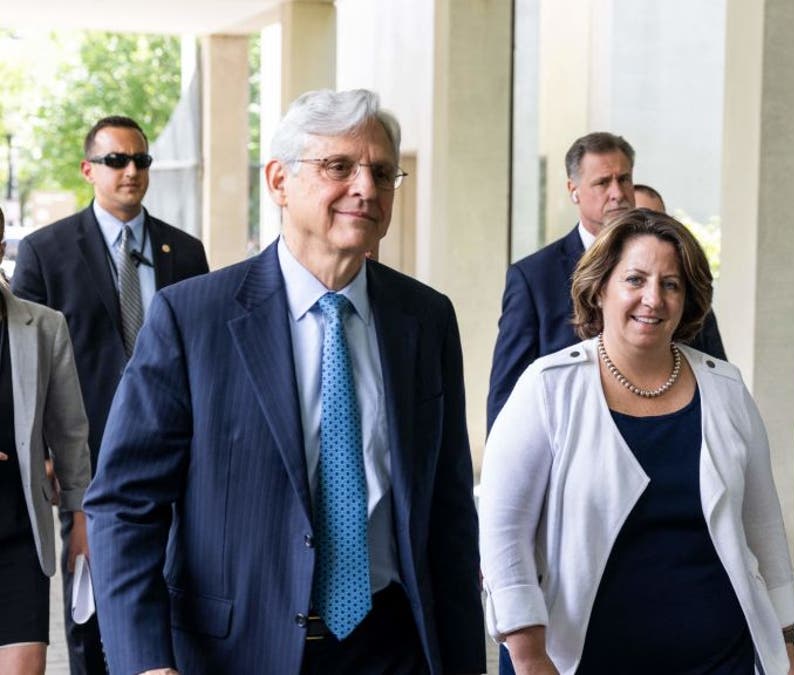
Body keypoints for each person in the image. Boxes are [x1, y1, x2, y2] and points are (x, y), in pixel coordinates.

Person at [84, 89, 485, 674]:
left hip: (393, 644)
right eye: (338, 167)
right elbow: (125, 505)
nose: (365, 188)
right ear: (278, 181)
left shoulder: (425, 319)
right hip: (237, 652)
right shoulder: (192, 318)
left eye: (380, 171)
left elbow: (448, 512)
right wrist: (146, 662)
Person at [481, 208, 794, 675]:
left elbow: (765, 535)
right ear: (600, 287)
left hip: (721, 659)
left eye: (670, 284)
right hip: (588, 660)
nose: (653, 298)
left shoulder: (726, 388)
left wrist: (788, 650)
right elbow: (503, 534)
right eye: (635, 279)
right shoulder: (548, 387)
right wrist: (529, 657)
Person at [11, 115, 209, 674]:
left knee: (178, 597)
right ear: (88, 169)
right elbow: (29, 369)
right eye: (117, 161)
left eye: (140, 160)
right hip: (89, 464)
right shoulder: (48, 251)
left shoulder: (186, 252)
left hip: (179, 459)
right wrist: (50, 461)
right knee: (91, 613)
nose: (131, 172)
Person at [487, 132, 725, 431]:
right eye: (602, 182)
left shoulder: (675, 263)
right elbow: (507, 397)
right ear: (573, 190)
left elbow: (714, 367)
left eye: (624, 179)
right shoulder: (533, 278)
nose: (617, 192)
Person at [0, 206, 91, 675]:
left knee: (25, 667)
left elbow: (70, 431)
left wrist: (80, 518)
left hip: (18, 529)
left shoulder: (44, 326)